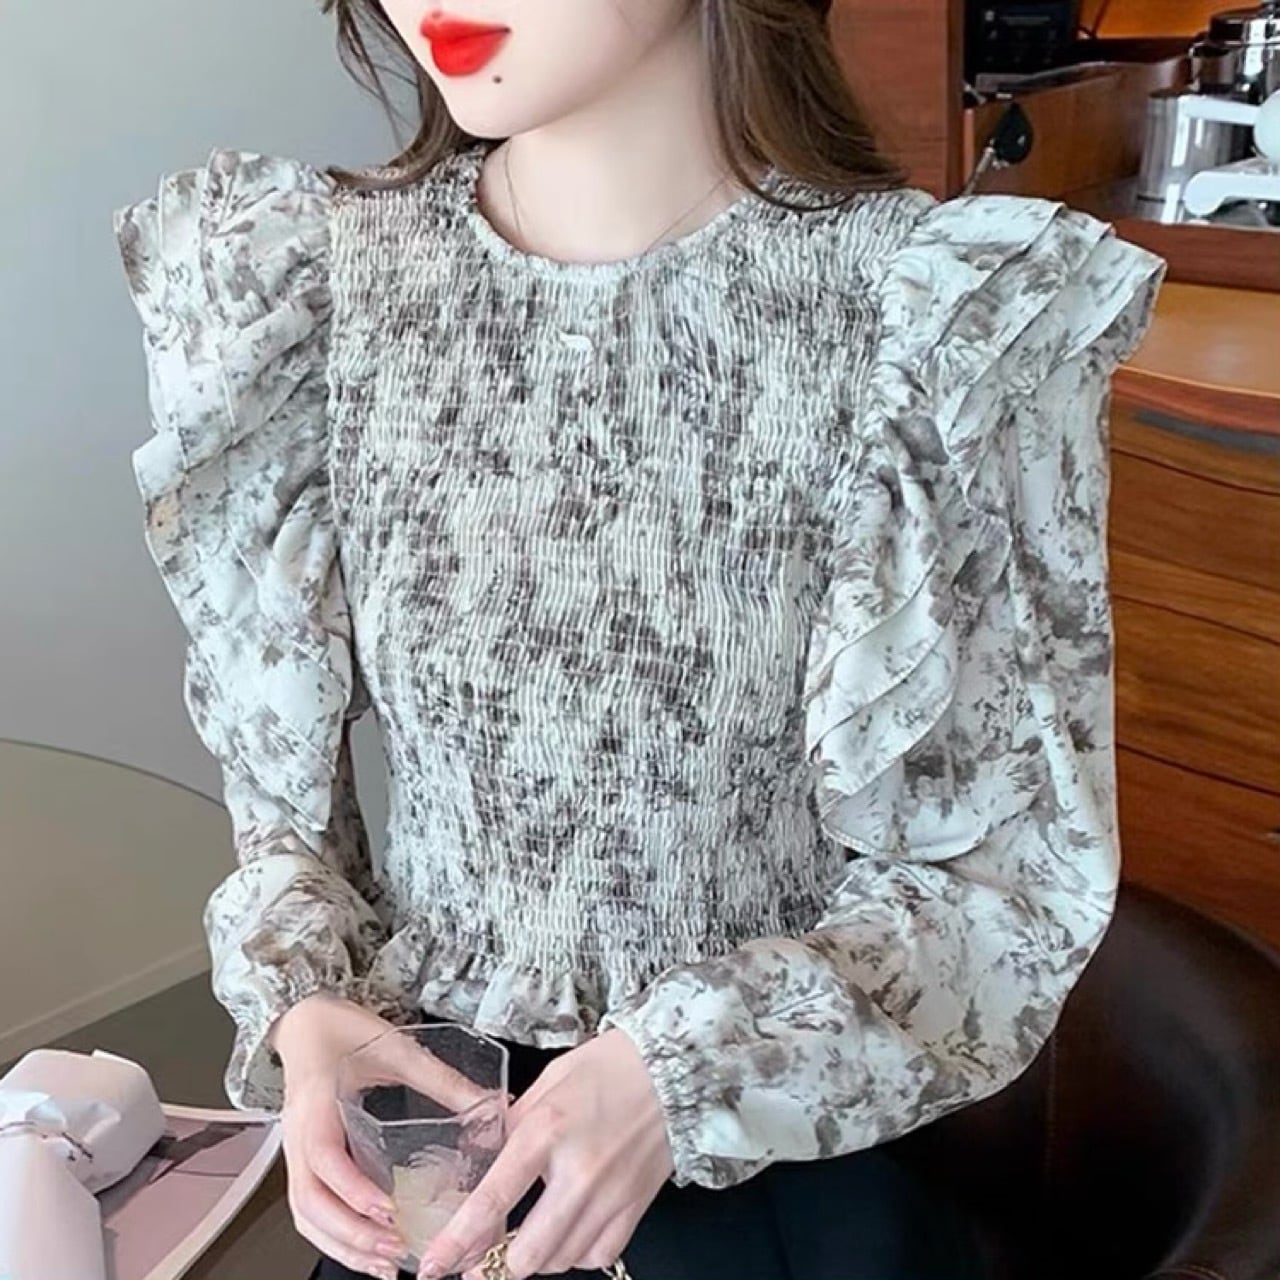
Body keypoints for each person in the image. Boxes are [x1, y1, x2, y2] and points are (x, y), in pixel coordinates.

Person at [111, 1, 1167, 1278]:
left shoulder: (935, 322)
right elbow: (283, 804)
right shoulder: (307, 290)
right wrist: (309, 1006)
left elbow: (1002, 883)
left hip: (773, 1175)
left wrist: (681, 1069)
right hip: (434, 1169)